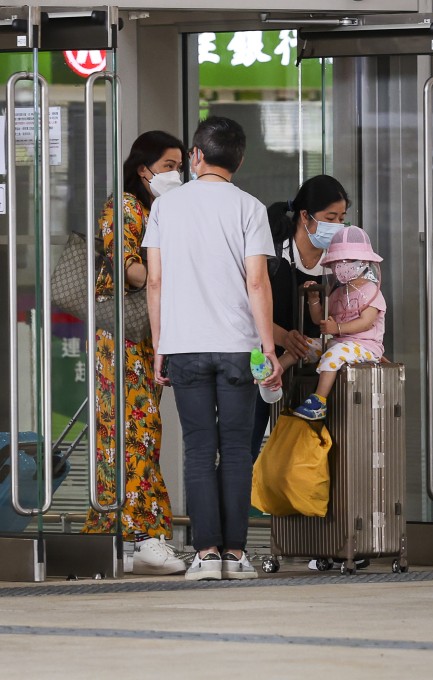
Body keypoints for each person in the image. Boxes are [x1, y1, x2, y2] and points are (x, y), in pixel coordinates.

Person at [143, 116, 282, 582]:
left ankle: (204, 555)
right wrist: (269, 349)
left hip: (184, 347)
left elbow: (155, 282)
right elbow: (257, 281)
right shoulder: (250, 207)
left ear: (197, 156)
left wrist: (160, 346)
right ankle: (237, 556)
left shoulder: (165, 207)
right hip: (239, 347)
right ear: (238, 160)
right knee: (238, 449)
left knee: (199, 450)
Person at [82, 130, 188, 576]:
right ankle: (145, 535)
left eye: (180, 166)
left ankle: (108, 534)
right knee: (137, 429)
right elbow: (132, 270)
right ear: (143, 170)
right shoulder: (125, 206)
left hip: (139, 338)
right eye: (168, 166)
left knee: (124, 434)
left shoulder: (155, 208)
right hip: (122, 337)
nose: (176, 174)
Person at [250, 175, 351, 459]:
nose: (337, 225)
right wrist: (283, 337)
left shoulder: (341, 260)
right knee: (246, 442)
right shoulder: (270, 252)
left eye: (342, 217)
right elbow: (245, 309)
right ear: (304, 216)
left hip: (314, 367)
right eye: (330, 217)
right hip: (263, 359)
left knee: (305, 457)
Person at [289, 225, 386, 421]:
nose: (342, 266)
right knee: (303, 345)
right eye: (338, 262)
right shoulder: (338, 292)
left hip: (366, 346)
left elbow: (366, 323)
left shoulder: (371, 291)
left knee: (335, 354)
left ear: (364, 262)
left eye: (348, 261)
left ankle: (319, 401)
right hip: (338, 343)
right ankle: (272, 373)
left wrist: (338, 329)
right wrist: (314, 298)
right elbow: (320, 319)